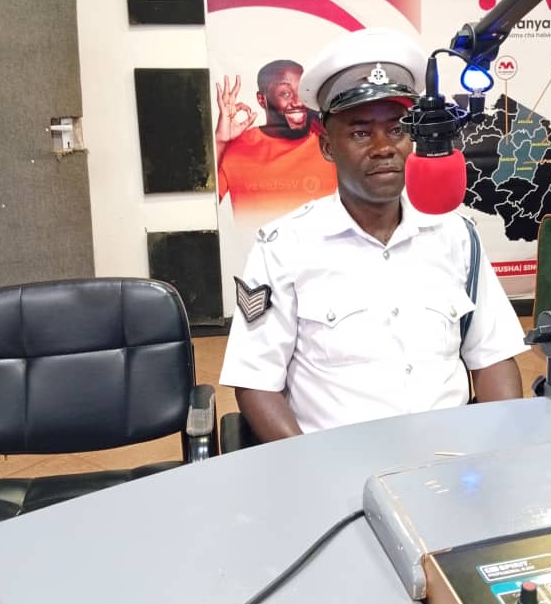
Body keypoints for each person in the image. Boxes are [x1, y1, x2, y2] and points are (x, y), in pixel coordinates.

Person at [220, 28, 526, 442]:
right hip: (337, 466)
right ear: (327, 146)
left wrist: (500, 450)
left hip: (451, 461)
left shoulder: (456, 235)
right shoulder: (284, 247)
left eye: (397, 130)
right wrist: (310, 468)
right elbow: (256, 383)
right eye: (361, 133)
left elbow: (493, 357)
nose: (384, 148)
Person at [215, 59, 337, 219]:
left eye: (302, 92)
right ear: (262, 100)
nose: (298, 102)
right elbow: (198, 209)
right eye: (285, 93)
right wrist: (220, 142)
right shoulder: (237, 148)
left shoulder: (329, 142)